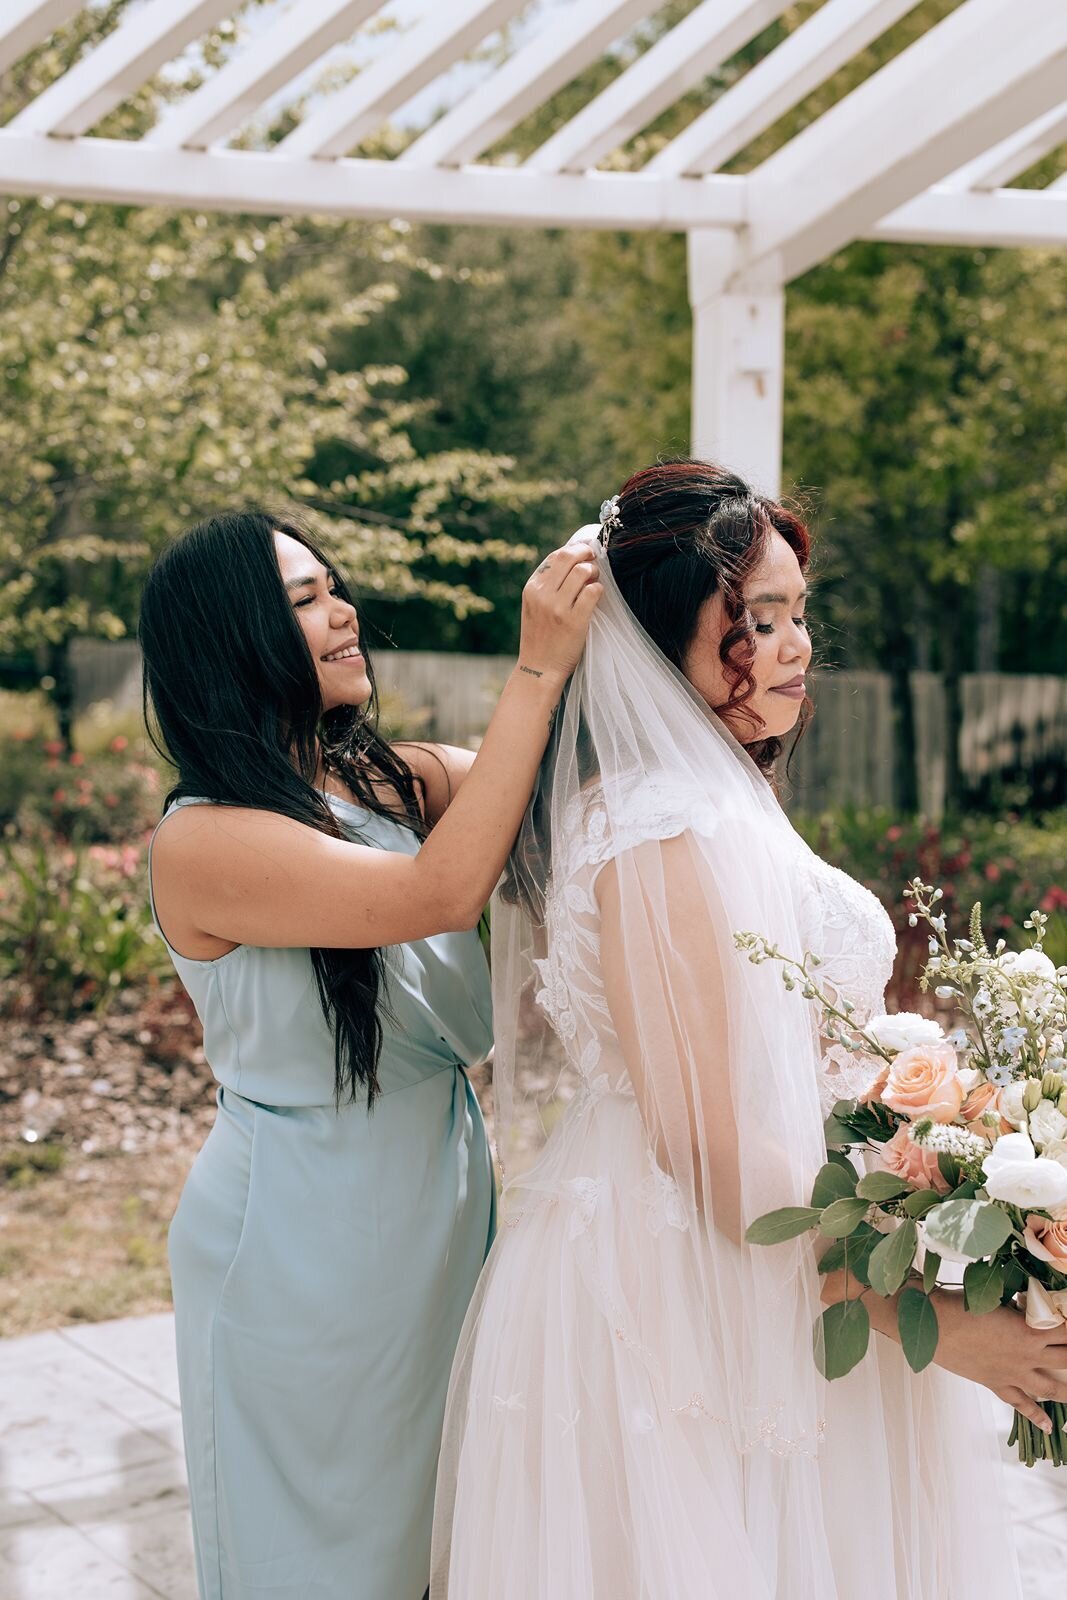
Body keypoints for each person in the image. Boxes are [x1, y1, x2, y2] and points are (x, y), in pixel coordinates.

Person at [431, 461, 1062, 1598]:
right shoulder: (658, 825)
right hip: (692, 1280)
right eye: (754, 621)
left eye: (796, 614)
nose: (791, 646)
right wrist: (916, 1315)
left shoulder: (719, 790)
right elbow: (703, 1141)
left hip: (789, 1250)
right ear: (663, 643)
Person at [137, 508, 601, 1600]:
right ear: (231, 638)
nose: (344, 610)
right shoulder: (201, 839)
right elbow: (434, 893)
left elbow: (546, 786)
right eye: (302, 600)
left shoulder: (388, 784)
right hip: (295, 1246)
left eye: (331, 586)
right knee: (316, 1561)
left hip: (439, 1207)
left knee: (444, 1545)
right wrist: (534, 663)